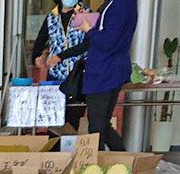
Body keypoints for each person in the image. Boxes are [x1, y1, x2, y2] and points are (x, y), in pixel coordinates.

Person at [76, 0, 138, 150]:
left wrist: (88, 29)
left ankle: (99, 168)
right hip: (110, 70)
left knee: (97, 128)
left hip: (104, 72)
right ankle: (122, 163)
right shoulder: (121, 4)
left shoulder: (119, 5)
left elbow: (108, 41)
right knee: (102, 124)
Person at [31, 0, 90, 130]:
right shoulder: (52, 16)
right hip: (55, 77)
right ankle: (54, 149)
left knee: (72, 122)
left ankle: (68, 149)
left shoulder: (84, 13)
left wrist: (60, 56)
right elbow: (40, 41)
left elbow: (87, 44)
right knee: (54, 121)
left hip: (77, 77)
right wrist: (38, 57)